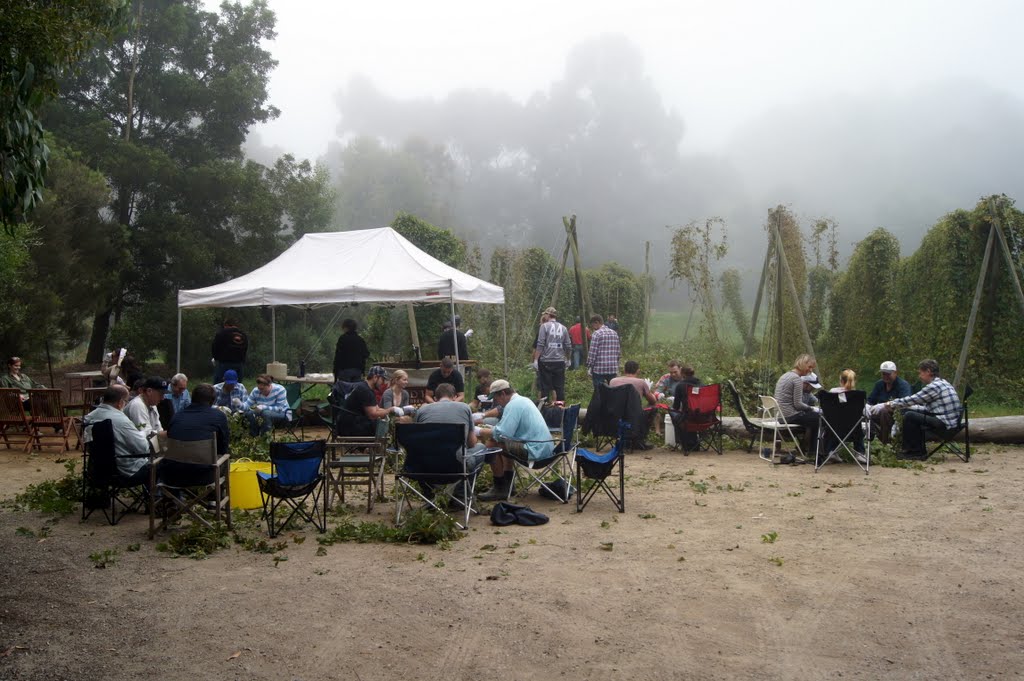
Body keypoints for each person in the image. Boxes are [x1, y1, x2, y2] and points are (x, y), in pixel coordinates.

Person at [476, 379, 554, 501]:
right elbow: (507, 433)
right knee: (504, 442)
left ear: (502, 393)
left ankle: (500, 487)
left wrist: (478, 431)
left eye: (496, 398)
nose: (496, 402)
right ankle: (508, 484)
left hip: (536, 450)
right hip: (544, 447)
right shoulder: (523, 400)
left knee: (492, 444)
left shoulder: (513, 405)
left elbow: (502, 433)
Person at [883, 359, 962, 460]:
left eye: (920, 373)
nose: (919, 376)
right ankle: (917, 449)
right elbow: (927, 408)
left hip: (945, 423)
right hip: (950, 420)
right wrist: (907, 407)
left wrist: (892, 403)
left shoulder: (934, 386)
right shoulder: (943, 382)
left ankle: (914, 452)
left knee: (910, 416)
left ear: (928, 371)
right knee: (911, 412)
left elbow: (914, 399)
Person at [415, 382, 489, 488]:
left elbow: (417, 441)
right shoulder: (464, 408)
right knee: (481, 447)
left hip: (424, 465)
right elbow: (472, 443)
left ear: (435, 398)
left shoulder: (422, 410)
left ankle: (430, 495)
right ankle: (460, 494)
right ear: (454, 397)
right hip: (456, 465)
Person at [82, 385, 153, 487]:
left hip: (97, 472)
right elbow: (143, 448)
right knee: (162, 464)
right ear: (120, 402)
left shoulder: (90, 417)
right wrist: (143, 434)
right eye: (126, 401)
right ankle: (156, 499)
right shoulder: (121, 420)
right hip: (126, 473)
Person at [165, 383, 231, 486]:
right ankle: (213, 498)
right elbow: (223, 447)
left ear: (192, 397)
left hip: (172, 475)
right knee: (225, 459)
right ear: (212, 400)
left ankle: (173, 499)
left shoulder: (177, 416)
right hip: (204, 477)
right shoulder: (218, 416)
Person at [772, 354, 820, 456]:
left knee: (813, 418)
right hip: (789, 416)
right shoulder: (796, 379)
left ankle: (809, 449)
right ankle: (814, 452)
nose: (810, 370)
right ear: (803, 364)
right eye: (809, 367)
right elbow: (798, 405)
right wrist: (811, 408)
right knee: (819, 418)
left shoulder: (784, 376)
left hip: (779, 415)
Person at [822, 369, 867, 464]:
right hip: (854, 431)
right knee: (858, 424)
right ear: (855, 381)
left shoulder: (831, 393)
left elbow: (825, 411)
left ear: (841, 381)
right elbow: (866, 413)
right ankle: (859, 452)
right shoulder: (857, 396)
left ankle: (831, 451)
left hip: (833, 430)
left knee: (833, 423)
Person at [336, 365, 395, 437]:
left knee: (383, 423)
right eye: (382, 379)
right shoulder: (364, 390)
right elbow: (372, 415)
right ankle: (385, 446)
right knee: (380, 425)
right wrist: (389, 410)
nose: (383, 382)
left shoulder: (369, 389)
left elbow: (377, 409)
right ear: (375, 377)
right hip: (349, 427)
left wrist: (393, 411)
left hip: (354, 422)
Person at [867, 361, 912, 445]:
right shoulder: (879, 384)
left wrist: (886, 405)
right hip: (879, 414)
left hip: (897, 416)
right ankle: (869, 442)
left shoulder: (903, 385)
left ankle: (886, 443)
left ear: (895, 373)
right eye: (884, 374)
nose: (885, 376)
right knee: (865, 415)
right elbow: (871, 400)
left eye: (888, 374)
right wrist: (867, 406)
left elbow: (905, 403)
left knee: (884, 411)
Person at [533, 306, 572, 403]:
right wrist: (568, 358)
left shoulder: (544, 326)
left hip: (546, 361)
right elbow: (568, 345)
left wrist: (535, 359)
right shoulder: (564, 328)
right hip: (559, 361)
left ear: (548, 315)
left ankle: (544, 409)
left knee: (545, 388)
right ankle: (560, 410)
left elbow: (540, 344)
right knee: (559, 387)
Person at [670, 364, 704, 451]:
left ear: (683, 374)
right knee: (687, 414)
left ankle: (683, 442)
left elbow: (676, 407)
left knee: (673, 412)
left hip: (688, 418)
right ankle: (694, 442)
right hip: (705, 418)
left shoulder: (681, 386)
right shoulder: (702, 385)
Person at [125, 376, 168, 441]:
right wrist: (167, 434)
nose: (163, 398)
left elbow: (158, 428)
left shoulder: (152, 405)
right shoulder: (137, 405)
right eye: (161, 394)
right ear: (149, 391)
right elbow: (146, 435)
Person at [586, 314, 620, 390]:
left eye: (593, 325)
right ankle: (611, 402)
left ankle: (601, 402)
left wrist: (589, 366)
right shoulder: (614, 333)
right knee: (612, 391)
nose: (593, 328)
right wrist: (617, 364)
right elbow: (618, 352)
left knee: (599, 392)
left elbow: (592, 353)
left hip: (599, 368)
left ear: (597, 322)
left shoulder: (597, 334)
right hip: (612, 368)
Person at [211, 318, 248, 383]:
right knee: (237, 385)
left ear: (226, 325)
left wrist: (216, 358)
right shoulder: (243, 335)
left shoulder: (222, 333)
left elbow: (215, 347)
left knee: (220, 384)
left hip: (224, 364)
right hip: (239, 364)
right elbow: (245, 349)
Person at [333, 318, 370, 383]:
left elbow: (338, 356)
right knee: (355, 391)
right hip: (357, 370)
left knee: (345, 390)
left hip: (344, 370)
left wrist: (335, 371)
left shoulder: (342, 339)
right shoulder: (360, 340)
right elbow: (366, 354)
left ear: (346, 327)